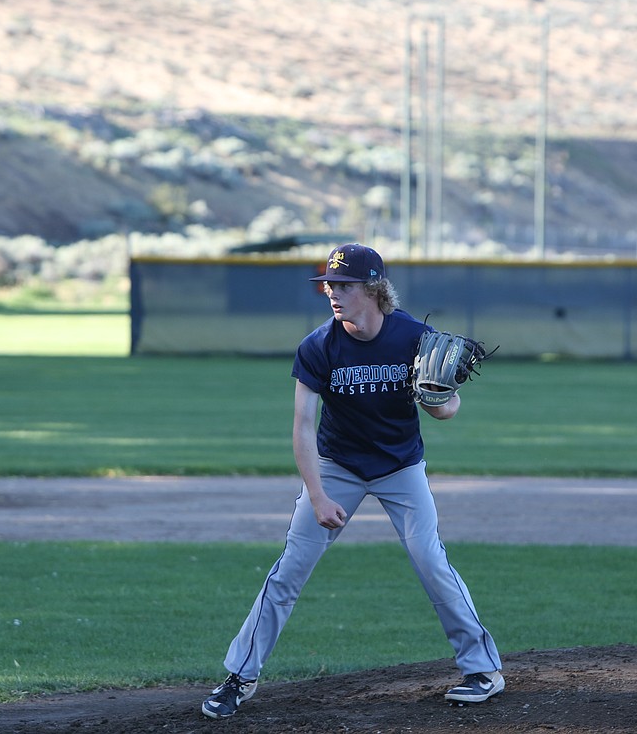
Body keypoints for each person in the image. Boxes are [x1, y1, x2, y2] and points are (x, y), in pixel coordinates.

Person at [201, 242, 503, 720]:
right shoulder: (319, 345)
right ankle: (240, 676)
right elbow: (302, 425)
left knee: (430, 559)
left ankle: (483, 670)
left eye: (344, 285)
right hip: (337, 467)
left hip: (401, 467)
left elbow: (446, 410)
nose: (333, 292)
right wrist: (317, 495)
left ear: (374, 290)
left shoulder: (412, 336)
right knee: (289, 571)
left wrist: (439, 398)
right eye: (329, 285)